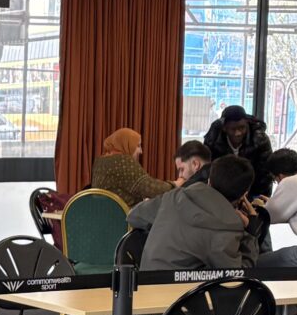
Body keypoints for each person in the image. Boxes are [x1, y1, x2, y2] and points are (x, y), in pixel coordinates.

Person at [125, 153, 261, 272]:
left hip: (147, 290)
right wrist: (250, 233)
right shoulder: (230, 225)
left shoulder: (173, 197)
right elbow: (239, 276)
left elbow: (134, 216)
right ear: (244, 195)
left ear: (209, 180)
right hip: (187, 298)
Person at [87, 127, 171, 209]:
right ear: (126, 144)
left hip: (102, 215)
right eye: (138, 146)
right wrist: (176, 184)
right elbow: (152, 189)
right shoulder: (123, 161)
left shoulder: (100, 161)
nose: (141, 151)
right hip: (123, 218)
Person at [201, 105, 273, 198]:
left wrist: (256, 200)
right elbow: (207, 169)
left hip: (254, 189)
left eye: (242, 127)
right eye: (233, 129)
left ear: (247, 123)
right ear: (224, 128)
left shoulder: (259, 139)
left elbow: (265, 173)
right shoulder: (213, 139)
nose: (238, 133)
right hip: (222, 191)